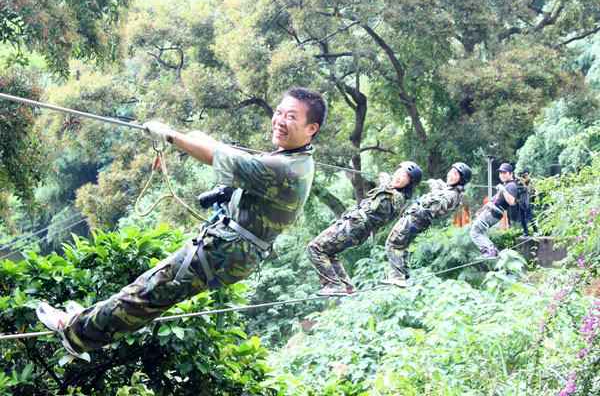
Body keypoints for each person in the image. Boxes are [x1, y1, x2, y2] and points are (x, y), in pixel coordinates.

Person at [35, 87, 327, 355]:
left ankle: (76, 334)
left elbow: (219, 158)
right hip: (230, 250)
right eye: (278, 112)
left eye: (291, 116)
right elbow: (235, 154)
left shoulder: (284, 169)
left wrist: (171, 136)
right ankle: (89, 320)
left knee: (149, 292)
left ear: (311, 128)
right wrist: (196, 137)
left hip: (224, 253)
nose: (279, 120)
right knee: (151, 287)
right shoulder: (296, 159)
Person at [306, 161, 423, 296]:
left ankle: (334, 284)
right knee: (328, 252)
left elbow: (376, 207)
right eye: (398, 173)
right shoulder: (395, 195)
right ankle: (347, 285)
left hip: (355, 227)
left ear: (410, 183)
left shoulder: (396, 196)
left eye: (403, 176)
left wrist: (384, 185)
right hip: (357, 229)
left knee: (314, 248)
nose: (397, 176)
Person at [384, 162, 472, 286]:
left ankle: (398, 277)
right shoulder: (452, 191)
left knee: (392, 243)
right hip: (418, 222)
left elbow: (437, 207)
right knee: (402, 245)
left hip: (415, 219)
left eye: (455, 174)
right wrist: (439, 186)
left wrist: (435, 190)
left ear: (461, 179)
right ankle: (405, 276)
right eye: (451, 172)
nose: (450, 175)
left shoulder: (452, 194)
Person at [470, 162, 517, 260]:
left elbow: (512, 202)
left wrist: (503, 190)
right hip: (492, 212)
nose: (502, 175)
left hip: (493, 212)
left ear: (511, 173)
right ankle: (492, 250)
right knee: (477, 231)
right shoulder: (507, 185)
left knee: (475, 232)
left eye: (505, 172)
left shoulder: (511, 185)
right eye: (500, 173)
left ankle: (490, 251)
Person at [517, 169, 538, 237]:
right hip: (521, 202)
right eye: (524, 175)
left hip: (528, 202)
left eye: (526, 175)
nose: (525, 176)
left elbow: (528, 190)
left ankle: (536, 231)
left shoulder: (530, 182)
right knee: (522, 218)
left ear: (528, 175)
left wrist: (523, 184)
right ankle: (526, 232)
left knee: (530, 217)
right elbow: (516, 187)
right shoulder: (520, 181)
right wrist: (518, 178)